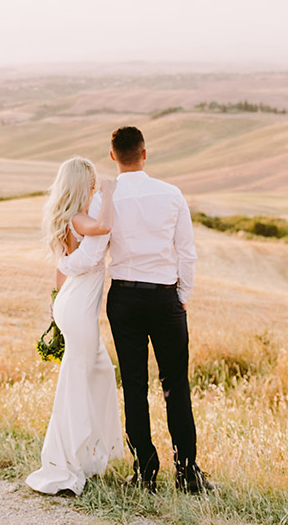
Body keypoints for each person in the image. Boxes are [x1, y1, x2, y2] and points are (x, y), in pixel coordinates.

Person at [58, 126, 213, 493]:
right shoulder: (172, 194)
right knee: (176, 384)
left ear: (113, 156)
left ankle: (145, 471)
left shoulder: (102, 201)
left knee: (134, 386)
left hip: (124, 299)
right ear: (145, 154)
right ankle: (187, 472)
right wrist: (183, 294)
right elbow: (186, 251)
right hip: (165, 298)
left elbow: (93, 255)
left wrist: (61, 264)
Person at [26, 157, 124, 495]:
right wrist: (110, 195)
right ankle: (65, 463)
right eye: (94, 183)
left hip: (70, 301)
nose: (97, 186)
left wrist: (54, 302)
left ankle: (85, 454)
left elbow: (60, 267)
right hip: (79, 307)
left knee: (97, 371)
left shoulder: (66, 218)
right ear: (85, 184)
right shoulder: (81, 219)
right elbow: (105, 227)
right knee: (77, 379)